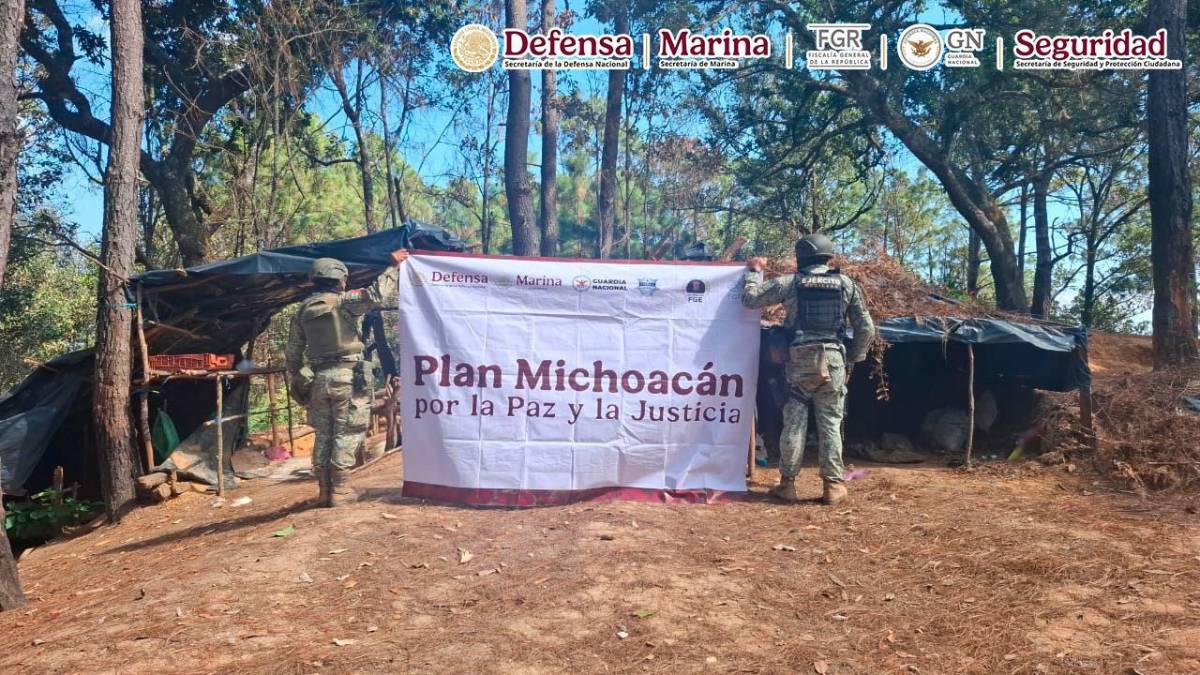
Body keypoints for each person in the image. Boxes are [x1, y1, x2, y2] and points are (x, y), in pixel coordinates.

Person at [741, 233, 875, 505]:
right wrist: (851, 359)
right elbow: (867, 329)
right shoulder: (847, 284)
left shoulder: (791, 282)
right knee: (831, 424)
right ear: (828, 256)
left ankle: (787, 485)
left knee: (794, 422)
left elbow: (750, 299)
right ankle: (833, 487)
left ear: (801, 256)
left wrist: (754, 273)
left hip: (800, 360)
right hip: (834, 360)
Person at [286, 252, 409, 507]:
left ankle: (324, 492)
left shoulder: (302, 311)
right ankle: (341, 491)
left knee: (324, 434)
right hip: (348, 377)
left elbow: (293, 353)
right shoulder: (345, 301)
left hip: (318, 379)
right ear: (341, 280)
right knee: (347, 431)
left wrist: (298, 382)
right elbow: (375, 295)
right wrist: (393, 267)